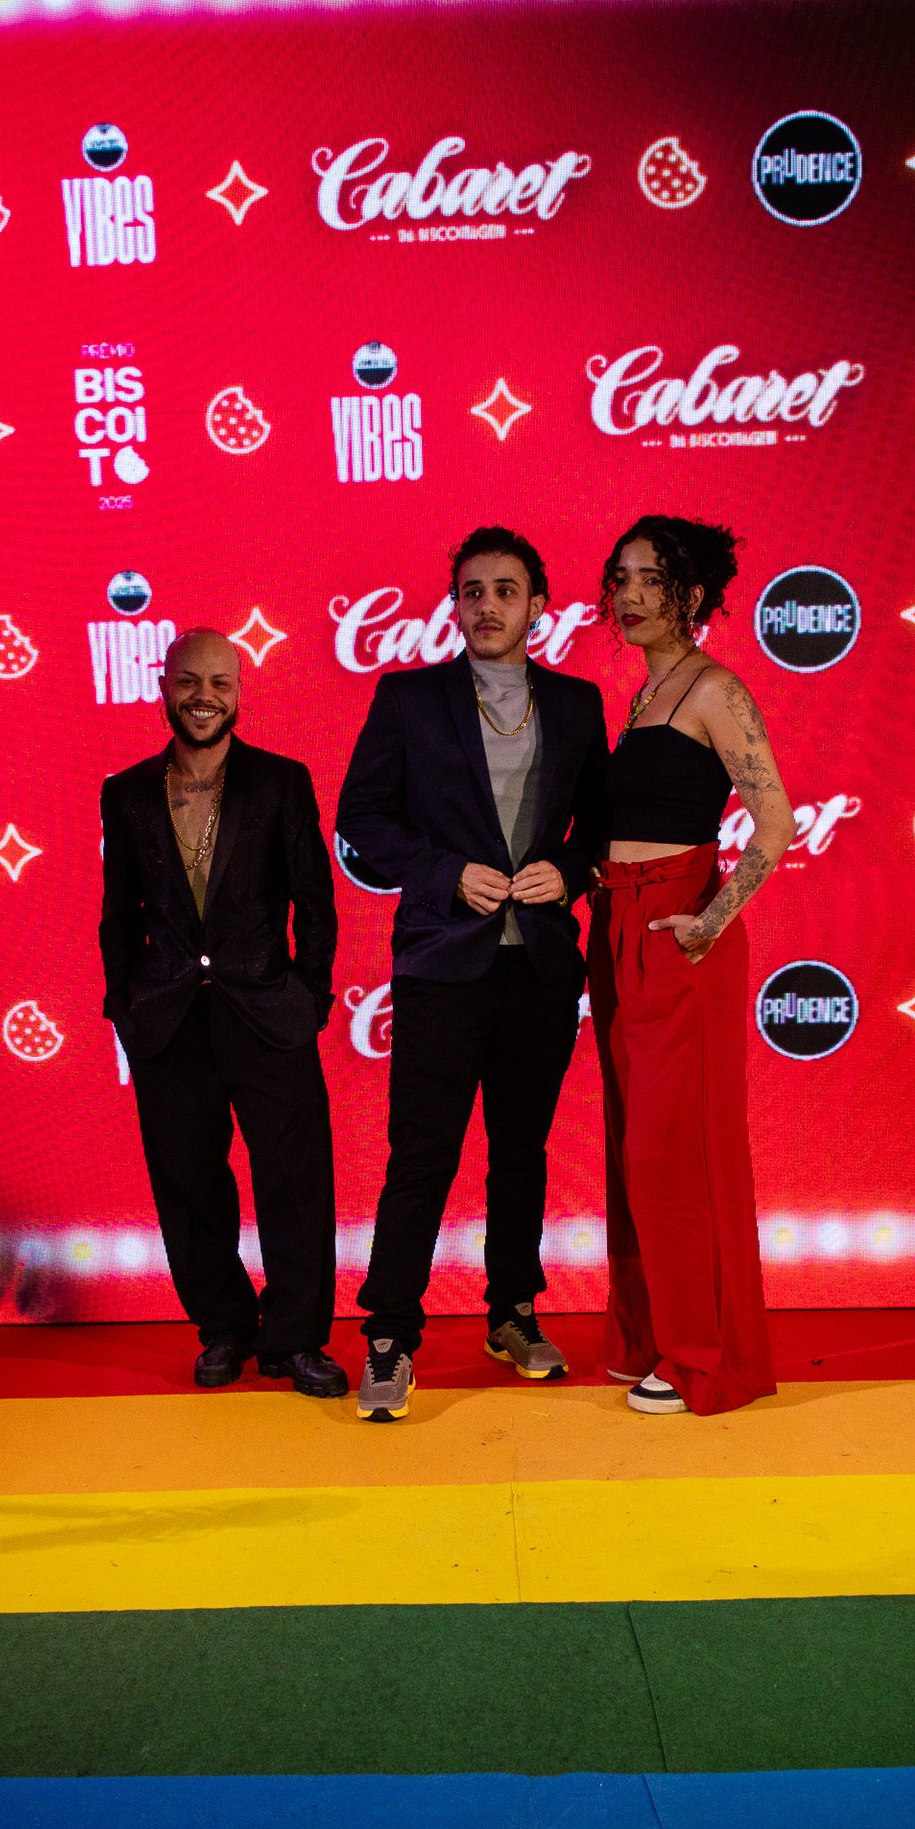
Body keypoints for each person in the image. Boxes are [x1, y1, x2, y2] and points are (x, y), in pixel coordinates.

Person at [336, 526, 608, 1421]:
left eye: (505, 590)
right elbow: (362, 820)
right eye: (471, 590)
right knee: (422, 1155)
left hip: (539, 966)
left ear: (539, 607)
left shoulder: (576, 704)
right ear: (455, 605)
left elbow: (598, 828)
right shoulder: (409, 697)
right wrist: (445, 870)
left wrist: (568, 870)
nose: (486, 605)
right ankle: (389, 1334)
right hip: (442, 963)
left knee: (521, 1152)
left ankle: (513, 1311)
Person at [98, 628, 347, 1396]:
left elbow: (315, 901)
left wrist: (308, 997)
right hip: (168, 1020)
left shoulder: (280, 781)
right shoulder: (126, 792)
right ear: (163, 688)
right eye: (188, 682)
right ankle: (225, 1328)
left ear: (239, 693)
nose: (203, 697)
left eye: (220, 683)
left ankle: (295, 1339)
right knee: (188, 1183)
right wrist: (125, 1007)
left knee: (295, 1181)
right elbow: (117, 913)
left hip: (268, 1012)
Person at [589, 516, 794, 1417]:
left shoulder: (716, 689)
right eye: (621, 578)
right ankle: (653, 1333)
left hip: (680, 930)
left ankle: (705, 1355)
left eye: (651, 579)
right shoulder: (643, 696)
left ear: (695, 594)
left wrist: (711, 918)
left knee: (678, 1154)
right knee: (636, 1148)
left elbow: (776, 819)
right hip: (619, 926)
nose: (630, 596)